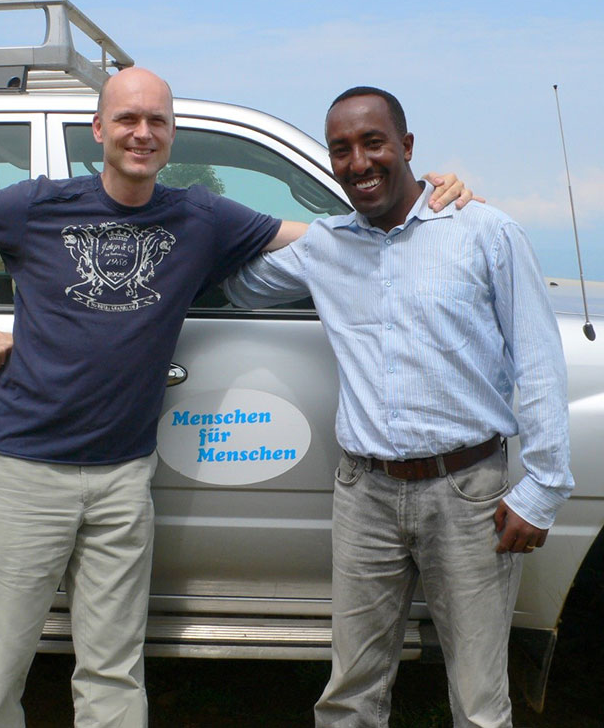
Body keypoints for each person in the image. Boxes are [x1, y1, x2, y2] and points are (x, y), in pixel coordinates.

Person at [0, 68, 472, 728]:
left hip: (123, 476)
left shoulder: (198, 216)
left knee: (113, 666)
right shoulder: (38, 205)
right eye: (126, 120)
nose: (141, 133)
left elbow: (328, 238)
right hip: (26, 470)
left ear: (171, 137)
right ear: (99, 131)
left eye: (156, 122)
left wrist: (423, 196)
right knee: (0, 666)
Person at [223, 86, 573, 728]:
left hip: (469, 494)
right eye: (342, 150)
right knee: (352, 691)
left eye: (374, 142)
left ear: (408, 147)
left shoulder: (486, 232)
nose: (359, 162)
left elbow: (539, 359)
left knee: (479, 699)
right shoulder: (325, 247)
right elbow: (239, 283)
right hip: (366, 495)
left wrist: (543, 487)